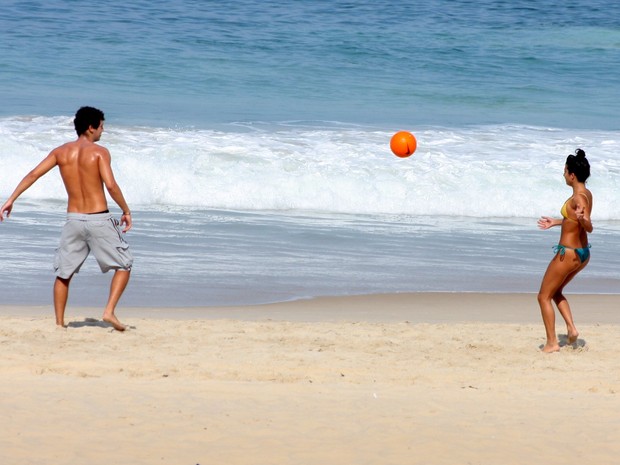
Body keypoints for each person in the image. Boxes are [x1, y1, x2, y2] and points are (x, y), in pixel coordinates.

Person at [0, 106, 133, 331]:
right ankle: (109, 310)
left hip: (73, 220)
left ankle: (59, 324)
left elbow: (33, 174)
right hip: (98, 219)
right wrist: (126, 210)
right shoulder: (100, 152)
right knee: (125, 264)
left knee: (64, 273)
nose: (102, 131)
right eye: (101, 126)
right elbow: (110, 185)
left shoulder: (61, 152)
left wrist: (11, 198)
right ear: (91, 128)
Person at [537, 148, 593, 353]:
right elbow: (574, 221)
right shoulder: (586, 193)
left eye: (565, 171)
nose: (563, 174)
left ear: (572, 175)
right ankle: (571, 328)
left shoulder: (578, 198)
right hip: (582, 253)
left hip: (568, 254)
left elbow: (588, 226)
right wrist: (557, 222)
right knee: (556, 292)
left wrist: (583, 219)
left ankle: (552, 343)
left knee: (543, 296)